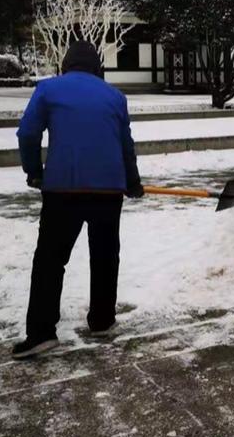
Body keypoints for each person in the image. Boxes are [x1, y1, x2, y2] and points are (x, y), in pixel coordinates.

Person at [12, 41, 144, 359]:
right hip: (108, 191)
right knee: (105, 256)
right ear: (98, 67)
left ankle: (42, 333)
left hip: (63, 189)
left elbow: (27, 134)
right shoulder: (115, 96)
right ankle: (101, 321)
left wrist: (34, 172)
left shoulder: (49, 90)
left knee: (50, 260)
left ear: (66, 65)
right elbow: (126, 144)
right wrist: (133, 182)